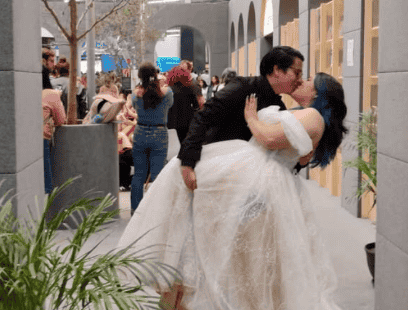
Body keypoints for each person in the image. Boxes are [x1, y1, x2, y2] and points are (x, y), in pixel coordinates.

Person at [117, 72, 369, 310]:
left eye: (307, 82)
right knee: (232, 261)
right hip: (257, 190)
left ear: (318, 94)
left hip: (259, 192)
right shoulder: (301, 112)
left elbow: (269, 139)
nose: (300, 83)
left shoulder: (312, 115)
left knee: (227, 259)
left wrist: (252, 118)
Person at [178, 46, 303, 192]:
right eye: (297, 73)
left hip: (248, 182)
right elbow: (203, 116)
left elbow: (280, 150)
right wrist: (187, 162)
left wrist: (300, 162)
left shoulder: (278, 105)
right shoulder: (243, 87)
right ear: (277, 70)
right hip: (217, 171)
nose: (300, 80)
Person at [129, 62, 173, 213]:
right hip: (159, 133)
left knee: (139, 174)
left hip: (140, 131)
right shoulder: (166, 93)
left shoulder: (136, 94)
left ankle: (135, 210)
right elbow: (170, 102)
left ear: (140, 76)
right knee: (157, 174)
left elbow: (134, 106)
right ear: (155, 74)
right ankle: (156, 210)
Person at [42, 66, 66, 194]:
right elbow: (61, 120)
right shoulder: (51, 94)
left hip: (23, 137)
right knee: (45, 176)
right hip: (42, 137)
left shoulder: (25, 91)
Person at [166, 63, 201, 144]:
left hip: (171, 122)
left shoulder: (169, 90)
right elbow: (196, 106)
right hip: (187, 121)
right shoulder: (189, 88)